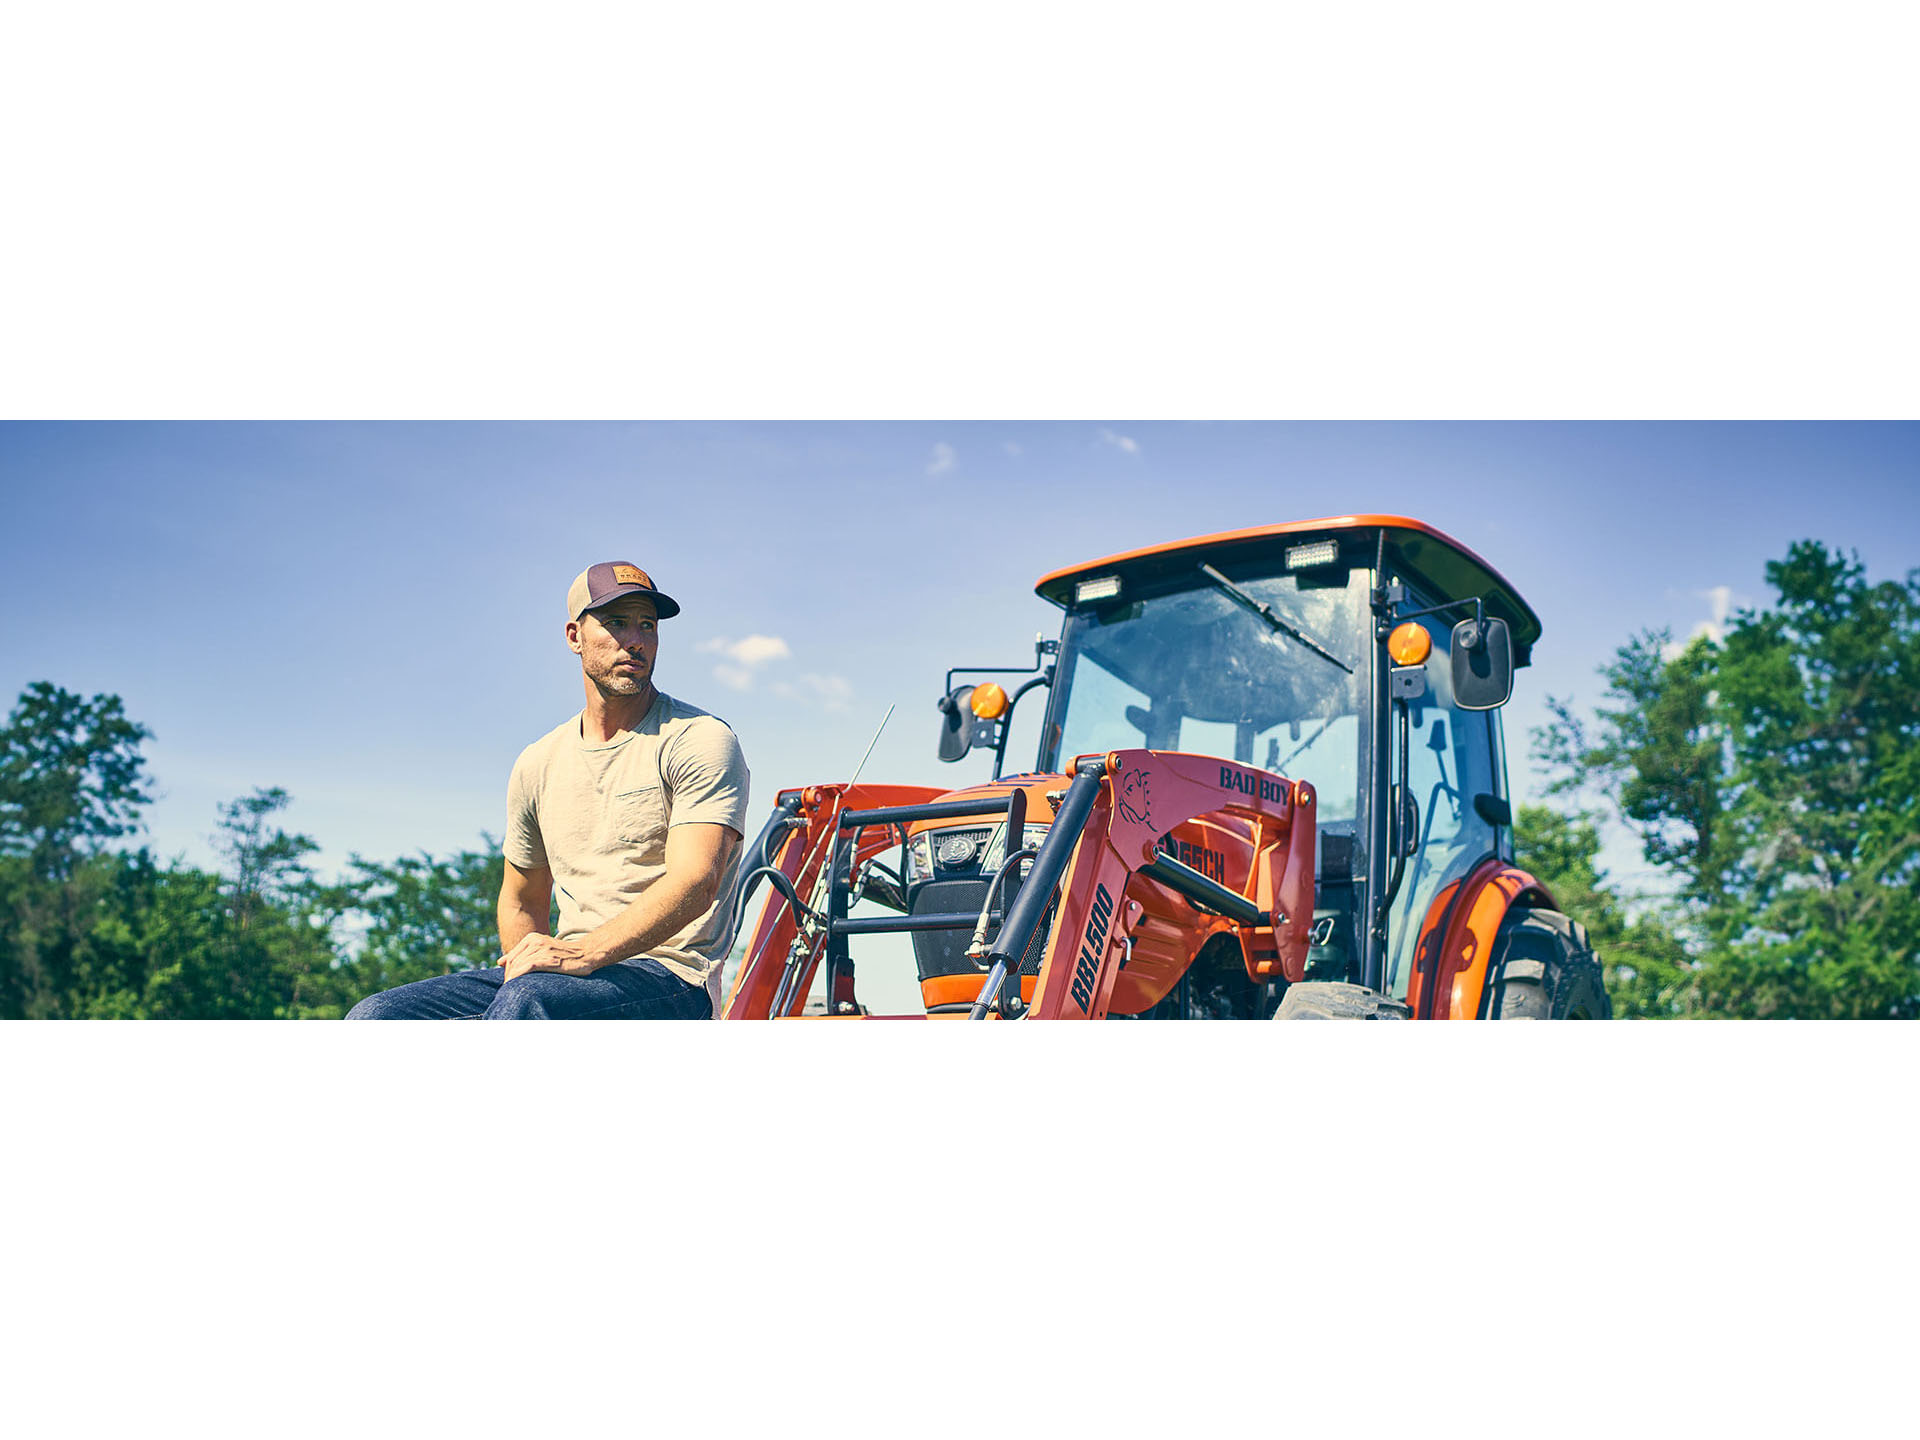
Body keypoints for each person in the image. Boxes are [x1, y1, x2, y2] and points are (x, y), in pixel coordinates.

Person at [346, 561, 750, 1019]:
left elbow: (695, 881)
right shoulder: (537, 763)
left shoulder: (698, 738)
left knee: (530, 1002)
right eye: (616, 623)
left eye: (647, 626)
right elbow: (522, 897)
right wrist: (528, 969)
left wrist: (578, 957)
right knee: (377, 1016)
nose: (635, 640)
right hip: (569, 974)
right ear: (574, 636)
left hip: (671, 977)